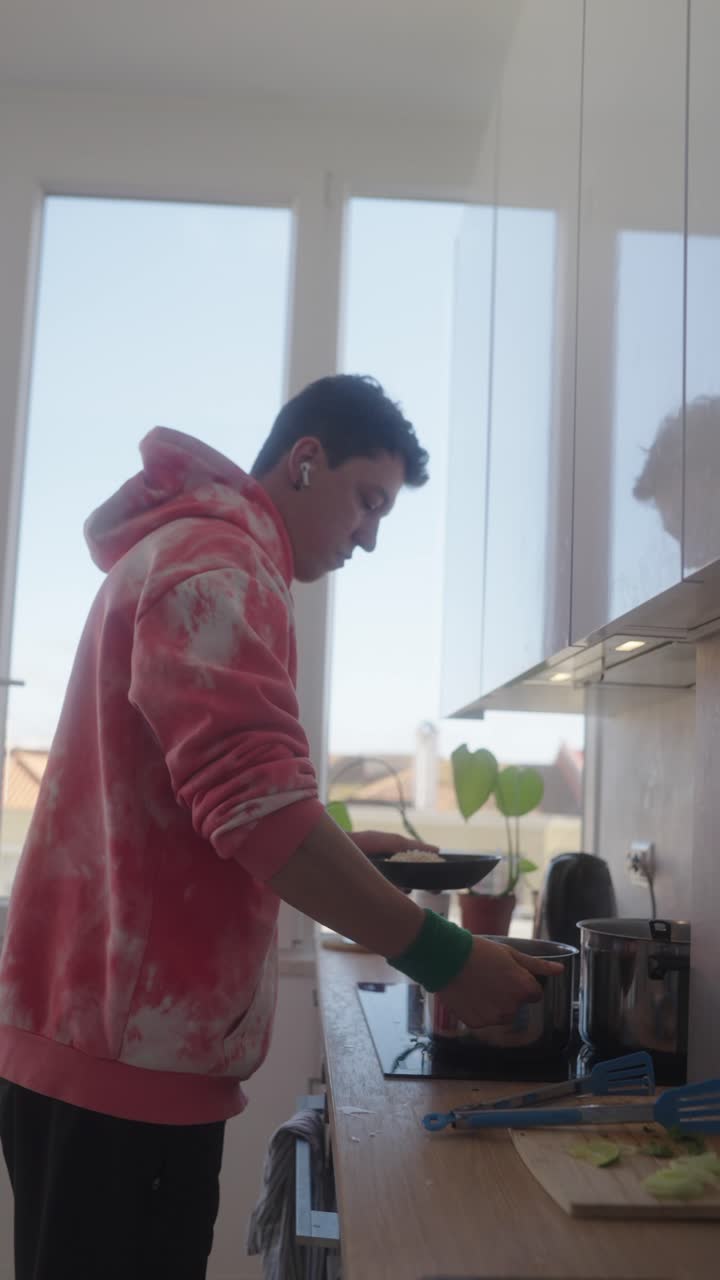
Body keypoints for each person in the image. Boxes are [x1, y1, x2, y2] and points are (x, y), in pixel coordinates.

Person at [0, 374, 561, 1279]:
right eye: (367, 500)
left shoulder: (203, 557)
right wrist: (449, 961)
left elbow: (205, 806)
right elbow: (258, 814)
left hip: (104, 1043)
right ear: (307, 462)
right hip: (118, 1065)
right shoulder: (218, 568)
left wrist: (340, 842)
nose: (371, 535)